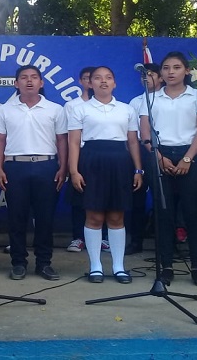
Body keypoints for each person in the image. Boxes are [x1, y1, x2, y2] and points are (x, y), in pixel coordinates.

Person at [139, 52, 197, 287]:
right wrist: (158, 157)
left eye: (177, 67)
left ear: (187, 71)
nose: (171, 72)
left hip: (191, 155)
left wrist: (188, 158)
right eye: (166, 68)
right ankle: (167, 267)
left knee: (193, 212)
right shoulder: (150, 98)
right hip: (159, 155)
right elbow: (145, 133)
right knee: (164, 213)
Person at [0, 65, 68, 281]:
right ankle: (18, 263)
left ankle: (44, 263)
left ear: (41, 83)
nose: (29, 81)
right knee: (16, 218)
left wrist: (63, 167)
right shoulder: (4, 110)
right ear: (16, 83)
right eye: (24, 77)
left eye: (34, 77)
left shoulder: (55, 109)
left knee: (45, 218)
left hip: (46, 166)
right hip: (15, 166)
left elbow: (62, 140)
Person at [68, 66, 143, 284]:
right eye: (98, 78)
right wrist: (74, 170)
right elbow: (74, 142)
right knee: (94, 216)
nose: (103, 81)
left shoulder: (126, 109)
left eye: (108, 77)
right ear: (90, 83)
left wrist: (138, 169)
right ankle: (96, 267)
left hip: (120, 162)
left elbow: (132, 142)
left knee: (116, 217)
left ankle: (119, 266)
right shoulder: (80, 109)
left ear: (114, 83)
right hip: (91, 161)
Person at [125, 63, 162, 256]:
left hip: (162, 151)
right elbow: (131, 133)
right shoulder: (135, 102)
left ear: (161, 77)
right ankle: (135, 241)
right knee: (136, 198)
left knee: (162, 198)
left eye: (151, 74)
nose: (146, 78)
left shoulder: (166, 99)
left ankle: (166, 242)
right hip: (139, 150)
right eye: (143, 75)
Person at [63, 66, 96, 253]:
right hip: (79, 153)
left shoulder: (110, 105)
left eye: (94, 78)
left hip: (99, 154)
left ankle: (102, 237)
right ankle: (78, 237)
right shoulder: (72, 106)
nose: (90, 82)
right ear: (80, 81)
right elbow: (69, 137)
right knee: (79, 196)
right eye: (86, 78)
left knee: (101, 196)